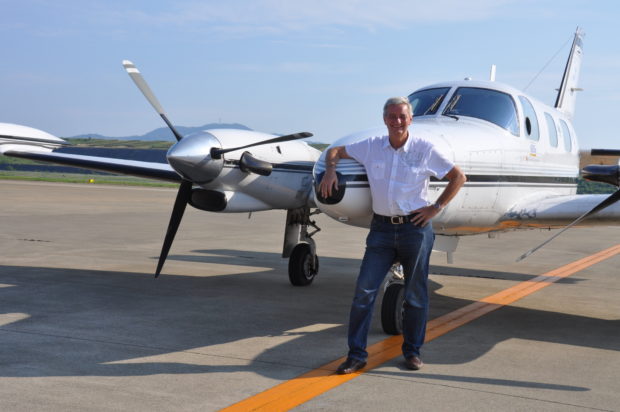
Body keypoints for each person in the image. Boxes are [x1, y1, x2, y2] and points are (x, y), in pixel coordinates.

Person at [318, 97, 466, 374]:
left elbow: (458, 177)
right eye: (391, 116)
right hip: (381, 231)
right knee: (363, 292)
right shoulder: (372, 146)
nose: (397, 121)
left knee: (415, 295)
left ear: (410, 120)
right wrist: (330, 171)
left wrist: (436, 207)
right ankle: (356, 355)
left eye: (402, 117)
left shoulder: (424, 149)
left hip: (415, 230)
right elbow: (335, 150)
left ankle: (412, 352)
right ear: (384, 119)